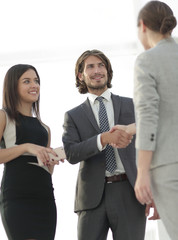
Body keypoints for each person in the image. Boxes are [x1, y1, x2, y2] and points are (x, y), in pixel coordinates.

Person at [62, 49, 147, 240]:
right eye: (90, 66)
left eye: (101, 65)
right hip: (91, 198)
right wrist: (103, 139)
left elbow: (149, 145)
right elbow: (71, 153)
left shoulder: (131, 105)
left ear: (108, 71)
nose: (97, 70)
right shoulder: (73, 116)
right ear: (81, 75)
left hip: (129, 192)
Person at [133, 1, 178, 239]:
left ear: (142, 26)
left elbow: (148, 117)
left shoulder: (147, 60)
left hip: (169, 166)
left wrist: (142, 171)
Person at [0, 64, 60, 240]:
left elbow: (47, 170)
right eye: (27, 81)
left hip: (45, 199)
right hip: (17, 197)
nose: (34, 85)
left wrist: (52, 161)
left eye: (36, 81)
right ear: (13, 86)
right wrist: (26, 147)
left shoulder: (45, 128)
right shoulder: (4, 116)